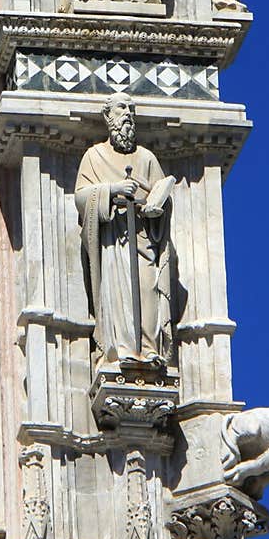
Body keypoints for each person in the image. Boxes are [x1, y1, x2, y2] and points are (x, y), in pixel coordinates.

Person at [75, 95, 174, 368]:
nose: (128, 114)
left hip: (143, 239)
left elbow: (162, 195)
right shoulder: (94, 156)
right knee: (118, 297)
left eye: (132, 109)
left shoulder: (147, 158)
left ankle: (150, 349)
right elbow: (81, 197)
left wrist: (154, 207)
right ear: (108, 117)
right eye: (122, 108)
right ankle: (121, 350)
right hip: (113, 243)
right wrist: (114, 190)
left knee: (147, 291)